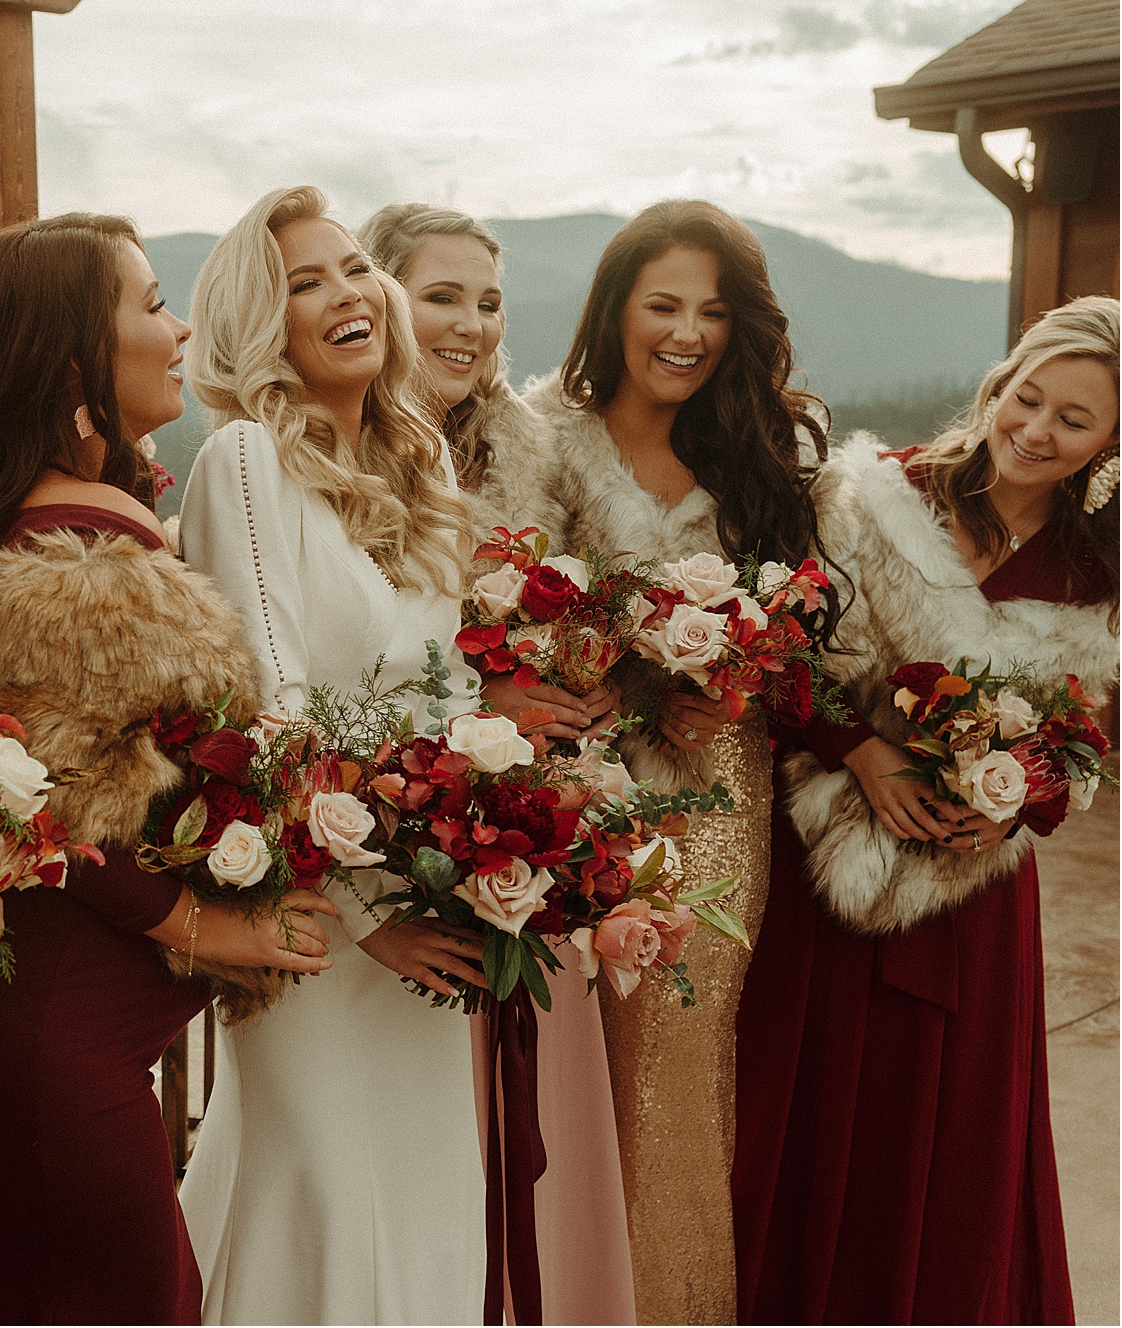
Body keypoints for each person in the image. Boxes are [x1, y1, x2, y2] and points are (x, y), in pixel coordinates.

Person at [0, 213, 337, 1325]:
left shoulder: (54, 521)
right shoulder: (71, 561)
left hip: (34, 1051)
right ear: (71, 365)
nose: (179, 324)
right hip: (51, 1057)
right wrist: (203, 927)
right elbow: (44, 800)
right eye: (149, 305)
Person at [734, 296, 1119, 1324]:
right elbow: (777, 655)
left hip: (971, 898)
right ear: (996, 385)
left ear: (1109, 447)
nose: (1034, 431)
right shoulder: (869, 497)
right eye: (1023, 397)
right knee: (814, 1117)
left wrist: (1017, 802)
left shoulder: (1099, 576)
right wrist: (854, 751)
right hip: (826, 860)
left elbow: (1082, 743)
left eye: (1071, 422)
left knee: (948, 1142)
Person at [175, 184, 491, 1325]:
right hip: (310, 920)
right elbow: (270, 710)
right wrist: (365, 914)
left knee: (425, 1188)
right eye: (303, 282)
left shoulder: (422, 467)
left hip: (431, 904)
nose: (345, 294)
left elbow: (452, 705)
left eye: (353, 267)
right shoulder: (246, 459)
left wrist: (494, 866)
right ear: (262, 324)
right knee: (318, 1186)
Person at [526, 197, 835, 1323]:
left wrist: (741, 679)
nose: (686, 332)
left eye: (711, 311)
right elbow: (491, 616)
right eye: (661, 304)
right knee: (559, 1079)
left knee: (673, 1079)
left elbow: (807, 642)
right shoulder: (539, 443)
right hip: (565, 802)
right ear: (612, 312)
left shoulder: (756, 459)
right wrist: (626, 675)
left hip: (713, 808)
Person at [361, 200, 635, 1325]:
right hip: (390, 837)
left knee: (542, 1106)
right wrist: (481, 698)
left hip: (537, 824)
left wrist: (597, 673)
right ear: (373, 298)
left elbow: (605, 600)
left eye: (486, 301)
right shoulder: (331, 452)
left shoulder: (533, 453)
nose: (468, 325)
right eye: (440, 297)